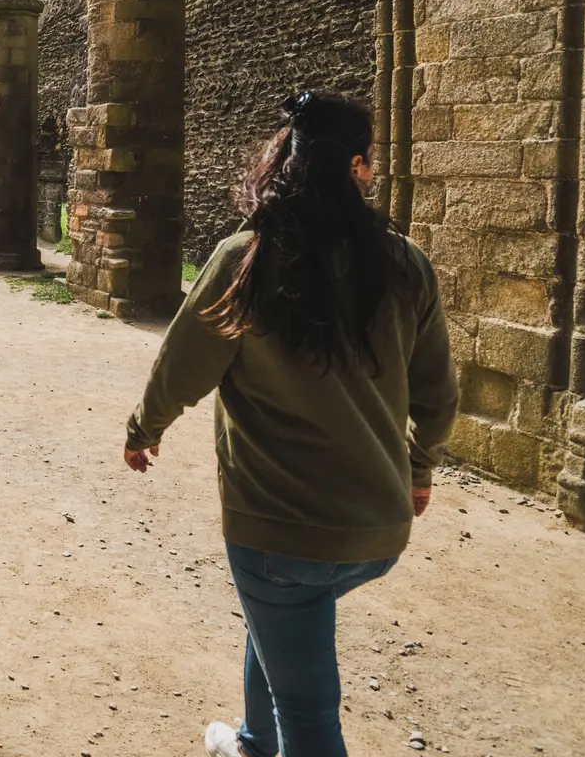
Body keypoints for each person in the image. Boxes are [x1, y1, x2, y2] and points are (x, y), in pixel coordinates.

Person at [119, 91, 458, 757]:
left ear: (283, 163)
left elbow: (183, 365)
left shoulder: (246, 259)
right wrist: (419, 470)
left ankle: (269, 737)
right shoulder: (405, 263)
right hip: (378, 529)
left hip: (280, 534)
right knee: (278, 621)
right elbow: (438, 394)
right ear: (358, 168)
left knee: (308, 706)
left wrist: (144, 428)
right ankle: (253, 741)